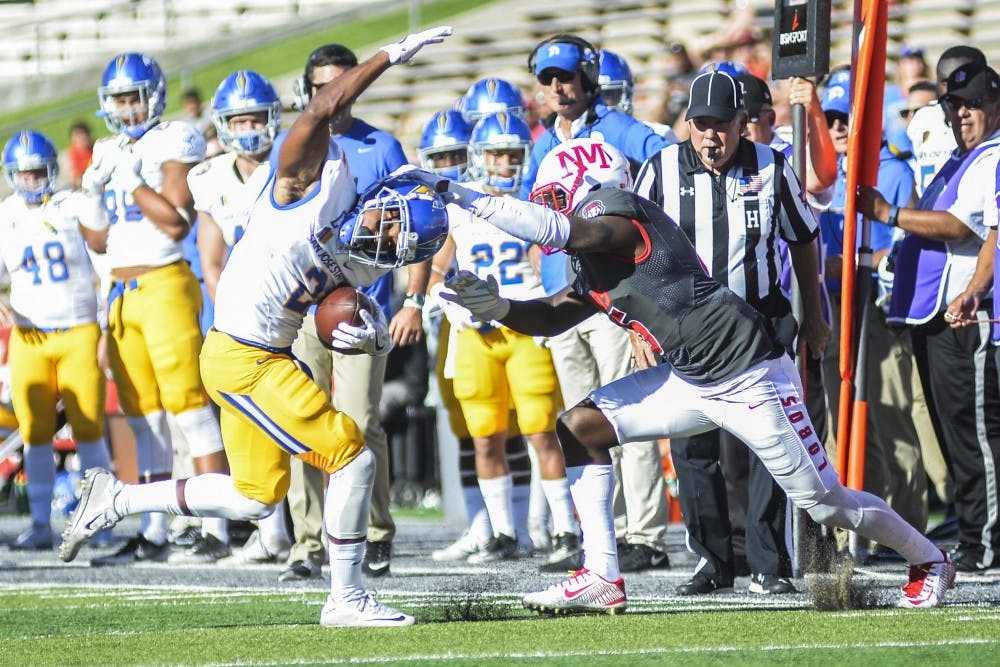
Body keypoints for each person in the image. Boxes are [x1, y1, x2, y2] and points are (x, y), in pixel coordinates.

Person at [427, 139, 955, 614]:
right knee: (580, 426)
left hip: (748, 374)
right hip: (692, 379)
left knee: (825, 501)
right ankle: (601, 576)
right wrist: (498, 306)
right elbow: (552, 315)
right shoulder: (594, 248)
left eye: (556, 196)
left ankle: (930, 560)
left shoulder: (620, 217)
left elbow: (558, 228)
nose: (548, 208)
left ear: (589, 189)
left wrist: (460, 194)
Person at [60, 26, 453, 628]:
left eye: (399, 243)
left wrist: (365, 332)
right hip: (247, 356)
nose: (388, 237)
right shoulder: (303, 185)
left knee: (254, 495)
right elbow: (323, 107)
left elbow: (329, 313)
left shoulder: (358, 245)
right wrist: (390, 54)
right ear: (383, 200)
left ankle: (118, 499)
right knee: (352, 457)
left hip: (258, 354)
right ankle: (346, 598)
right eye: (394, 225)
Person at [633, 70, 830, 595]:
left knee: (773, 446)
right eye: (700, 125)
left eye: (720, 124)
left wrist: (813, 315)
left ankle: (769, 562)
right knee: (694, 449)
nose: (710, 137)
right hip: (686, 326)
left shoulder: (773, 166)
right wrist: (636, 327)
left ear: (744, 123)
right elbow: (629, 251)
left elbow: (805, 239)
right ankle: (712, 561)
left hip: (760, 322)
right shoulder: (658, 172)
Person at [523, 34, 675, 573]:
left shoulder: (615, 127)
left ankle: (646, 534)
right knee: (579, 422)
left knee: (627, 416)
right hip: (564, 295)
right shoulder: (542, 142)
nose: (558, 87)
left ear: (588, 77)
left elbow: (667, 161)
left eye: (565, 76)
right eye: (548, 79)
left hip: (612, 290)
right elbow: (528, 210)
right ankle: (600, 538)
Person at [283, 42, 431, 581]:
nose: (335, 94)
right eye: (323, 85)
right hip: (301, 307)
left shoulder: (382, 146)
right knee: (303, 420)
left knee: (360, 421)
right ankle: (308, 540)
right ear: (309, 91)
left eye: (344, 81)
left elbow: (421, 226)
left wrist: (413, 298)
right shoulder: (295, 142)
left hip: (363, 307)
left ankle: (374, 533)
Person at [76, 52, 227, 567]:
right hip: (121, 294)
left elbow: (177, 221)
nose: (126, 107)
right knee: (142, 420)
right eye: (118, 98)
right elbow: (98, 239)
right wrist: (92, 193)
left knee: (190, 408)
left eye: (133, 96)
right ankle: (154, 530)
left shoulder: (173, 137)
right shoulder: (105, 148)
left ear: (154, 96)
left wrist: (131, 180)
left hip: (165, 282)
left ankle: (216, 527)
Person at [860, 61, 1000, 573]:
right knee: (951, 430)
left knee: (974, 432)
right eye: (954, 107)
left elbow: (963, 227)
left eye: (973, 104)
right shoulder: (963, 159)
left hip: (966, 314)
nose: (962, 114)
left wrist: (886, 214)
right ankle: (973, 531)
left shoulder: (993, 157)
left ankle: (985, 540)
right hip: (934, 315)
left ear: (995, 104)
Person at [428, 111, 580, 568]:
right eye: (497, 153)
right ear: (478, 156)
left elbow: (548, 264)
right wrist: (443, 296)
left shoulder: (534, 203)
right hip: (476, 333)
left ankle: (565, 530)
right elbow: (436, 268)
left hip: (526, 326)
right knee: (486, 437)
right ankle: (504, 533)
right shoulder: (459, 206)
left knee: (541, 432)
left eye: (514, 154)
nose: (506, 163)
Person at [175, 69, 286, 565]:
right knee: (249, 427)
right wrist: (238, 312)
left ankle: (313, 534)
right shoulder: (210, 175)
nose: (246, 129)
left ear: (272, 118)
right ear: (222, 123)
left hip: (294, 309)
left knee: (300, 425)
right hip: (240, 322)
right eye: (237, 120)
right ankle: (273, 532)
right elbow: (212, 260)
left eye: (254, 118)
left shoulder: (291, 162)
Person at [816, 71, 929, 545]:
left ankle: (911, 530)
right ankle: (854, 529)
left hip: (878, 312)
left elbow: (911, 244)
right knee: (837, 423)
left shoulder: (895, 172)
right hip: (833, 309)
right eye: (834, 118)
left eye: (850, 118)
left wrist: (849, 263)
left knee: (891, 420)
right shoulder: (822, 175)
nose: (841, 127)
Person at [0, 130, 112, 550]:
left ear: (52, 170)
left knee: (88, 429)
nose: (31, 181)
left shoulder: (72, 204)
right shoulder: (5, 213)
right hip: (29, 337)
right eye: (23, 174)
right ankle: (41, 523)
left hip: (78, 330)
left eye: (37, 172)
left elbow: (104, 256)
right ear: (12, 176)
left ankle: (101, 521)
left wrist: (103, 325)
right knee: (35, 433)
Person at [908, 47, 988, 196]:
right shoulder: (923, 118)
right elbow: (918, 181)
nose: (953, 88)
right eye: (946, 82)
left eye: (962, 80)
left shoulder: (989, 125)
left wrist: (890, 212)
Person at [66, 121, 94, 191]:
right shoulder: (74, 152)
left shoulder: (97, 146)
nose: (80, 139)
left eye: (82, 135)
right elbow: (76, 178)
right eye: (77, 137)